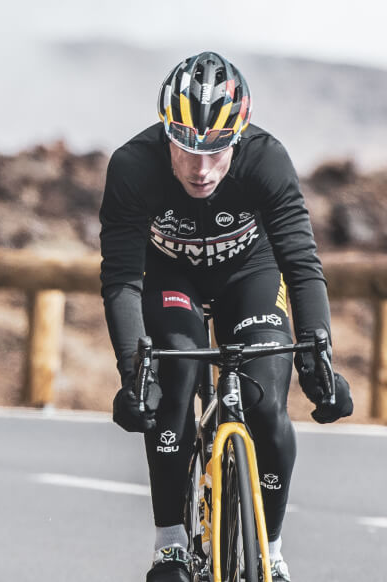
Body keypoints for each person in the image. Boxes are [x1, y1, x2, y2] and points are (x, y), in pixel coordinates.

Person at [99, 51, 354, 582]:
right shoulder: (132, 167)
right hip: (172, 280)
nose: (200, 167)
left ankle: (273, 552)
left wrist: (318, 361)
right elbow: (122, 279)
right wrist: (132, 375)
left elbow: (301, 265)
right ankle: (170, 545)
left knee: (265, 403)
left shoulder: (267, 160)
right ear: (166, 131)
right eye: (187, 146)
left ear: (237, 137)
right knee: (171, 382)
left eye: (216, 149)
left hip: (251, 275)